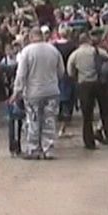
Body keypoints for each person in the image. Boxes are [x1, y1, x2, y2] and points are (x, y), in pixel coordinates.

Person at [11, 27, 64, 160]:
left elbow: (21, 74)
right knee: (49, 120)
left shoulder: (27, 52)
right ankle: (48, 149)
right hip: (51, 90)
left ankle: (34, 149)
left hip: (33, 92)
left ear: (30, 36)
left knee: (33, 121)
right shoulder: (53, 50)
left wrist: (17, 91)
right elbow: (61, 71)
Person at [67, 33, 108, 150]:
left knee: (87, 116)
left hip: (84, 85)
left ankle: (89, 142)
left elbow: (70, 71)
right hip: (100, 84)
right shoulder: (97, 51)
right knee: (106, 112)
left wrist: (78, 77)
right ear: (89, 40)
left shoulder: (75, 54)